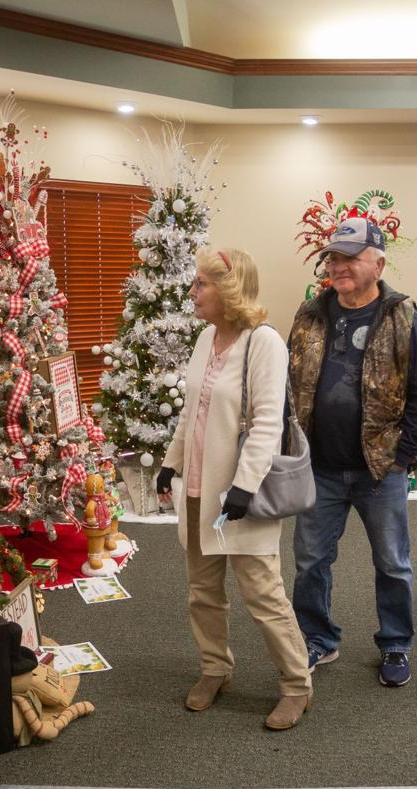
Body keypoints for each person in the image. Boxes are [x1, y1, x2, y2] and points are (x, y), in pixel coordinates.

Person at [156, 247, 312, 730]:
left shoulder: (263, 342)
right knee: (202, 592)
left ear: (227, 289)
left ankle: (296, 685)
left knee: (263, 593)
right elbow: (191, 412)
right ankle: (215, 669)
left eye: (201, 284)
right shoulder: (206, 338)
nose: (192, 292)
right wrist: (170, 464)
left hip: (239, 495)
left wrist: (245, 486)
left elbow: (266, 422)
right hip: (200, 488)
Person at [287, 217, 417, 688]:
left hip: (380, 470)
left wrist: (403, 456)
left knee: (392, 562)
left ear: (378, 262)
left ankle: (395, 643)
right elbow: (289, 385)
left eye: (350, 258)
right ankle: (317, 637)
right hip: (320, 468)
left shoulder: (401, 316)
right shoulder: (310, 314)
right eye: (333, 257)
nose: (339, 266)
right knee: (311, 560)